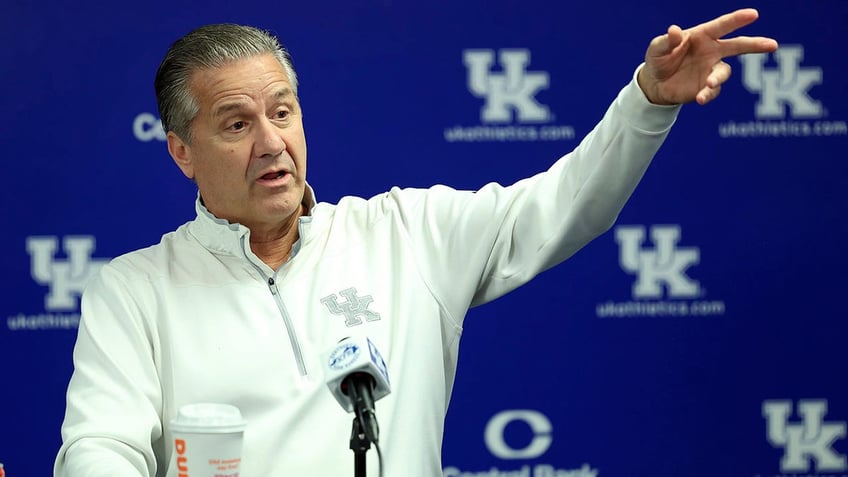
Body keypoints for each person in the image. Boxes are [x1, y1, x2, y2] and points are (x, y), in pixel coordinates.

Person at [53, 9, 777, 477]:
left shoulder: (406, 233)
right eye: (238, 124)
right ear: (182, 151)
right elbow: (100, 449)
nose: (272, 142)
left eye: (283, 111)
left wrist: (646, 102)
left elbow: (565, 205)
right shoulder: (136, 288)